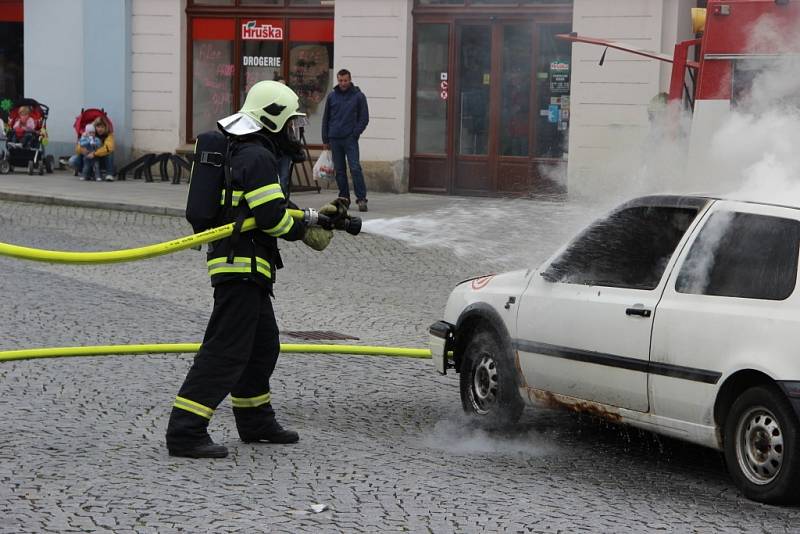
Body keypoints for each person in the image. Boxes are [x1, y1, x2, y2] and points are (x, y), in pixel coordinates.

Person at [165, 80, 335, 459]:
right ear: (271, 118)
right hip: (240, 265)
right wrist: (304, 230)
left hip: (247, 265)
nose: (295, 130)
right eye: (291, 122)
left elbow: (270, 206)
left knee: (262, 345)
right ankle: (185, 430)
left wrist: (313, 218)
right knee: (226, 350)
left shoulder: (250, 152)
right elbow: (273, 217)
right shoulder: (256, 157)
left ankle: (255, 419)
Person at [321, 68, 370, 212]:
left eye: (345, 80)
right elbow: (326, 118)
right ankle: (344, 199)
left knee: (355, 168)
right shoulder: (332, 96)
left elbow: (364, 118)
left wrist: (355, 133)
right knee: (340, 171)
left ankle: (361, 199)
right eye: (340, 80)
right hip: (334, 138)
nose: (343, 83)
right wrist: (325, 138)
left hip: (350, 138)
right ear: (338, 80)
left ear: (350, 80)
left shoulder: (358, 96)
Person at [69, 115, 116, 181]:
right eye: (98, 127)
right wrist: (82, 150)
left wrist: (94, 153)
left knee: (109, 152)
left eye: (102, 127)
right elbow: (77, 147)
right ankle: (87, 173)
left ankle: (109, 174)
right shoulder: (89, 134)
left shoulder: (109, 135)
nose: (100, 129)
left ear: (106, 127)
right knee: (72, 161)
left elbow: (109, 148)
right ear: (94, 127)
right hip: (88, 157)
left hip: (101, 159)